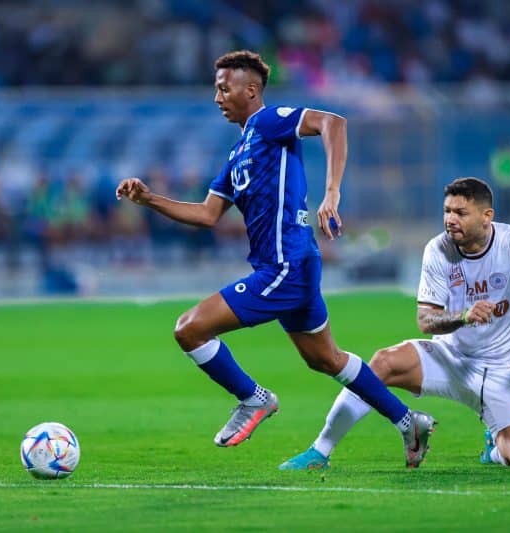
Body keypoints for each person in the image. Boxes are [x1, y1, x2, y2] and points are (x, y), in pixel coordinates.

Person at [115, 50, 435, 467]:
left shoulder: (269, 122)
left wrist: (332, 192)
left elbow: (332, 123)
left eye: (224, 88)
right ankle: (409, 421)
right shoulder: (238, 153)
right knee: (326, 359)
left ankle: (253, 398)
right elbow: (208, 214)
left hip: (285, 266)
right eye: (216, 88)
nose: (217, 97)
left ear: (251, 90)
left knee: (189, 329)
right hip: (295, 264)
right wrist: (150, 199)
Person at [280, 178, 510, 470]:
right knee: (382, 362)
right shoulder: (438, 249)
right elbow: (426, 321)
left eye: (460, 213)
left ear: (487, 217)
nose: (451, 219)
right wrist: (463, 316)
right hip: (450, 360)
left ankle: (496, 445)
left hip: (504, 370)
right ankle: (319, 451)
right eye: (447, 211)